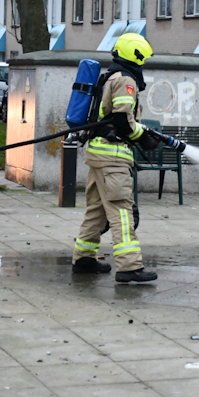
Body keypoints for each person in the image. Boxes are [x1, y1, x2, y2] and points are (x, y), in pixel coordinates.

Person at [72, 33, 160, 282]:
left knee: (97, 210)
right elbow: (123, 119)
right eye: (143, 60)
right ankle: (130, 267)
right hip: (113, 157)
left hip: (99, 153)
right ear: (136, 56)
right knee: (122, 210)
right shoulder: (125, 80)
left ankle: (84, 259)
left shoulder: (112, 75)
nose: (143, 64)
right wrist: (143, 137)